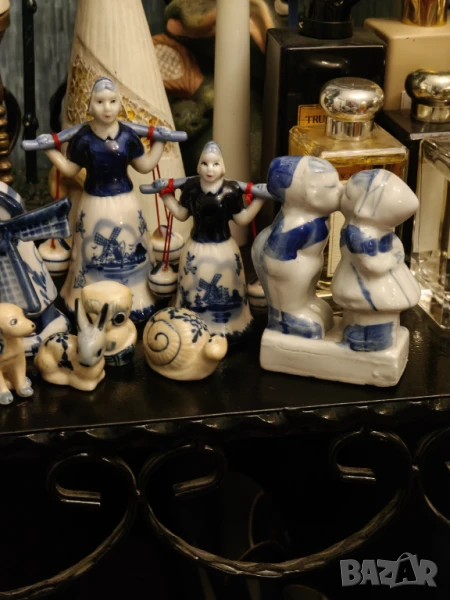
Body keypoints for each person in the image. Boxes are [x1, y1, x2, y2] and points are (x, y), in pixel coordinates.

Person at [44, 77, 171, 322]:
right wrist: (50, 150)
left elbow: (145, 165)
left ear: (119, 105)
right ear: (90, 106)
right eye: (100, 102)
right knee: (91, 244)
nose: (107, 108)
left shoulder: (127, 136)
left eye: (112, 101)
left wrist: (160, 142)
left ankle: (138, 297)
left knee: (131, 240)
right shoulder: (83, 138)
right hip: (93, 203)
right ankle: (84, 297)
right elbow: (69, 170)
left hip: (125, 203)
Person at [159, 141, 265, 341]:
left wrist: (259, 200)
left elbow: (242, 219)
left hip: (224, 249)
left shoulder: (231, 191)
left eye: (215, 164)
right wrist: (166, 197)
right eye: (205, 163)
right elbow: (181, 214)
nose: (210, 169)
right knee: (192, 284)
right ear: (198, 166)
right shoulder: (191, 188)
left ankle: (233, 325)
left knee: (226, 281)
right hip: (195, 248)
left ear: (222, 166)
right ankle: (188, 326)